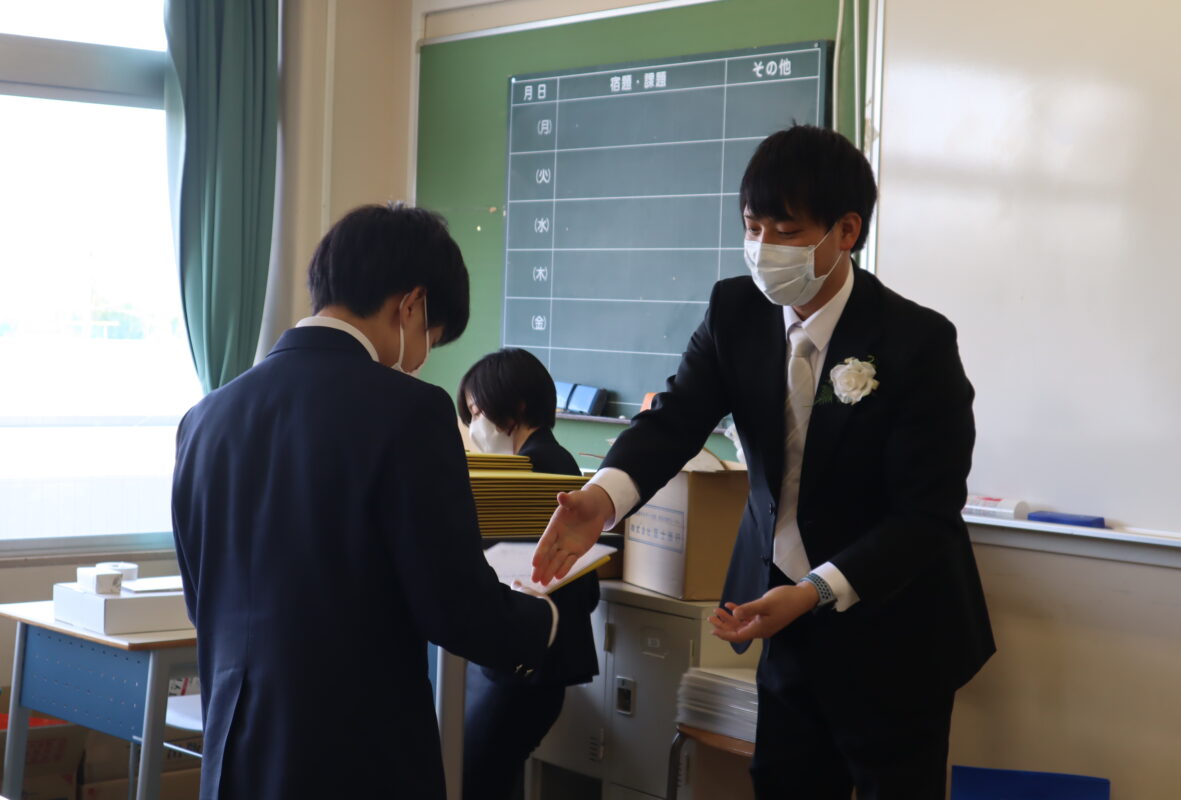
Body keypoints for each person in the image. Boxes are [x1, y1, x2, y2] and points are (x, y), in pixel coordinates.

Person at [532, 126, 995, 799]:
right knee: (783, 782)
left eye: (786, 230)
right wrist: (600, 500)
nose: (763, 247)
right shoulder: (736, 311)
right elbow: (675, 420)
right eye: (753, 227)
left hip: (897, 624)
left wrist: (813, 592)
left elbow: (926, 514)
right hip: (783, 617)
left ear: (846, 231)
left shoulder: (915, 341)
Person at [172, 204, 563, 800]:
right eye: (431, 337)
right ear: (411, 305)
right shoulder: (411, 411)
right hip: (356, 756)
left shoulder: (205, 419)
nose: (422, 356)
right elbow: (451, 603)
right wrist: (541, 621)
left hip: (234, 752)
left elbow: (201, 598)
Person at [455, 348, 600, 800]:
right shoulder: (547, 460)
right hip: (525, 663)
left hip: (529, 667)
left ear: (516, 406)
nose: (474, 424)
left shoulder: (539, 467)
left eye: (478, 411)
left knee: (475, 778)